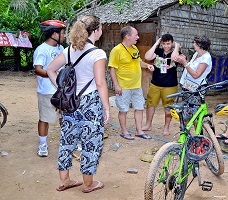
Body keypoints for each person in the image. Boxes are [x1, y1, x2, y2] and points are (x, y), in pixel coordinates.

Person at [47, 15, 110, 193]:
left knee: (67, 140)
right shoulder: (98, 53)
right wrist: (106, 107)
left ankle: (65, 180)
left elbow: (50, 69)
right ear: (96, 30)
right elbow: (100, 83)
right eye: (101, 28)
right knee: (91, 141)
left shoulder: (68, 51)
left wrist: (61, 88)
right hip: (90, 103)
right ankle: (89, 184)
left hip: (71, 102)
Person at [108, 26, 154, 140]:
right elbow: (112, 68)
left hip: (136, 86)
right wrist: (116, 85)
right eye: (136, 35)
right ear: (127, 36)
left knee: (139, 108)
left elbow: (139, 62)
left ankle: (139, 131)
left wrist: (147, 65)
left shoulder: (134, 48)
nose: (138, 37)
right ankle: (124, 131)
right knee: (123, 110)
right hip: (124, 87)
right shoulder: (117, 50)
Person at [33, 19, 66, 157]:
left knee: (64, 117)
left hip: (61, 91)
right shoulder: (42, 50)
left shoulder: (61, 49)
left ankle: (66, 141)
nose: (64, 36)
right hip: (47, 91)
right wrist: (54, 74)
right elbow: (38, 69)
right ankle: (43, 144)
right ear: (54, 34)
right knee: (44, 118)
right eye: (63, 33)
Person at [142, 34, 180, 136]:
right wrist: (156, 44)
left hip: (170, 85)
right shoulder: (158, 51)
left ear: (172, 43)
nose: (166, 46)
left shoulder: (176, 52)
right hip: (155, 83)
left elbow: (175, 58)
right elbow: (147, 56)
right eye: (164, 44)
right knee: (150, 104)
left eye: (168, 44)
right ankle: (148, 124)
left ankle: (166, 127)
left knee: (168, 107)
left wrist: (176, 46)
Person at [173, 35, 212, 117]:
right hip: (188, 86)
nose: (192, 44)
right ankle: (187, 129)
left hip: (196, 88)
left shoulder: (206, 58)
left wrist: (184, 63)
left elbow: (196, 75)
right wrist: (184, 60)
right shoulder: (197, 54)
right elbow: (191, 67)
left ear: (199, 45)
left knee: (194, 113)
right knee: (187, 111)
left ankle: (202, 129)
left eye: (194, 42)